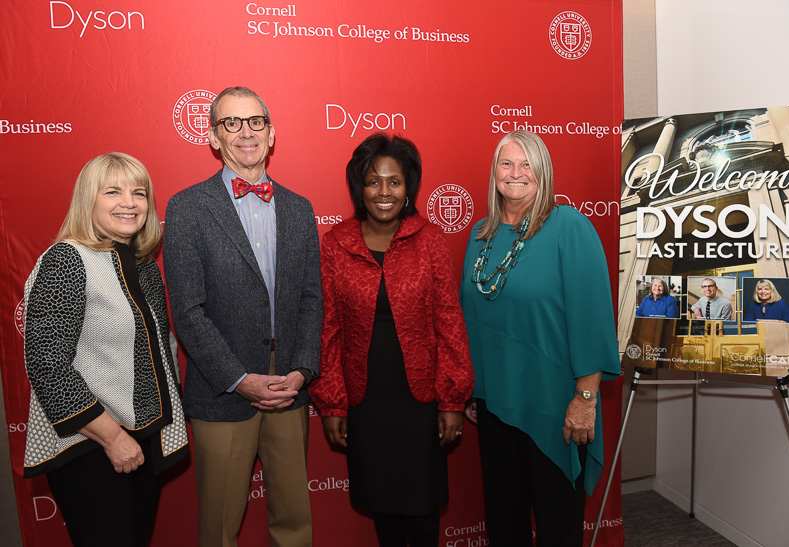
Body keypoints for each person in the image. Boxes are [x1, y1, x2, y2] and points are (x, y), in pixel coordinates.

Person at [162, 86, 322, 547]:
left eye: (255, 122)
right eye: (231, 123)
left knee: (295, 522)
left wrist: (303, 370)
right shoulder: (187, 208)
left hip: (289, 390)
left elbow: (313, 297)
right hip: (222, 392)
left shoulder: (299, 208)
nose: (245, 132)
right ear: (214, 137)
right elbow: (187, 312)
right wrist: (238, 378)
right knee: (219, 528)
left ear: (271, 134)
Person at [308, 133, 474, 547]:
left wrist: (452, 399)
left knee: (422, 516)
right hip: (366, 404)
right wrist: (332, 402)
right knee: (383, 512)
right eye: (373, 181)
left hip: (421, 403)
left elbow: (449, 320)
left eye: (394, 182)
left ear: (409, 187)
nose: (383, 192)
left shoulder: (429, 240)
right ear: (358, 187)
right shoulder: (335, 244)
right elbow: (326, 327)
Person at [459, 131, 620, 546]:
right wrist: (473, 389)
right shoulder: (481, 236)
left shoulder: (569, 227)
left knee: (557, 526)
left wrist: (585, 400)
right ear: (494, 172)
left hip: (555, 406)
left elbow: (593, 317)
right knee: (504, 522)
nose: (515, 173)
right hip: (495, 404)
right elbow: (473, 320)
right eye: (507, 163)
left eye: (526, 164)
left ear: (543, 172)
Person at [22, 153, 189, 547]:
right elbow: (48, 366)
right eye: (112, 191)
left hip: (142, 438)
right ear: (88, 200)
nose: (129, 202)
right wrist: (113, 439)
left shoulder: (142, 263)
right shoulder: (67, 260)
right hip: (91, 444)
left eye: (139, 192)